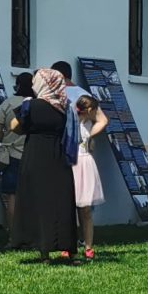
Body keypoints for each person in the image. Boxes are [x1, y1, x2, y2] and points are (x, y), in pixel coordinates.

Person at [13, 68, 79, 262]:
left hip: (36, 153)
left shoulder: (31, 105)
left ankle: (43, 250)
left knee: (38, 199)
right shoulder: (66, 106)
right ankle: (70, 248)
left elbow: (14, 126)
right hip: (59, 155)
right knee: (61, 200)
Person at [0, 74, 31, 245]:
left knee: (12, 197)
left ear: (17, 85)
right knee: (31, 197)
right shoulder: (36, 104)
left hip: (12, 155)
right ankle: (31, 235)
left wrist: (6, 139)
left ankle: (13, 237)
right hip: (31, 154)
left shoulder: (8, 103)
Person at [72, 90, 108, 261]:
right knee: (70, 207)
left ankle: (88, 245)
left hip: (85, 162)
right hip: (73, 162)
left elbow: (103, 121)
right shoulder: (71, 121)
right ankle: (70, 243)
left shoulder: (89, 124)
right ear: (89, 110)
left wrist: (90, 137)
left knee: (85, 208)